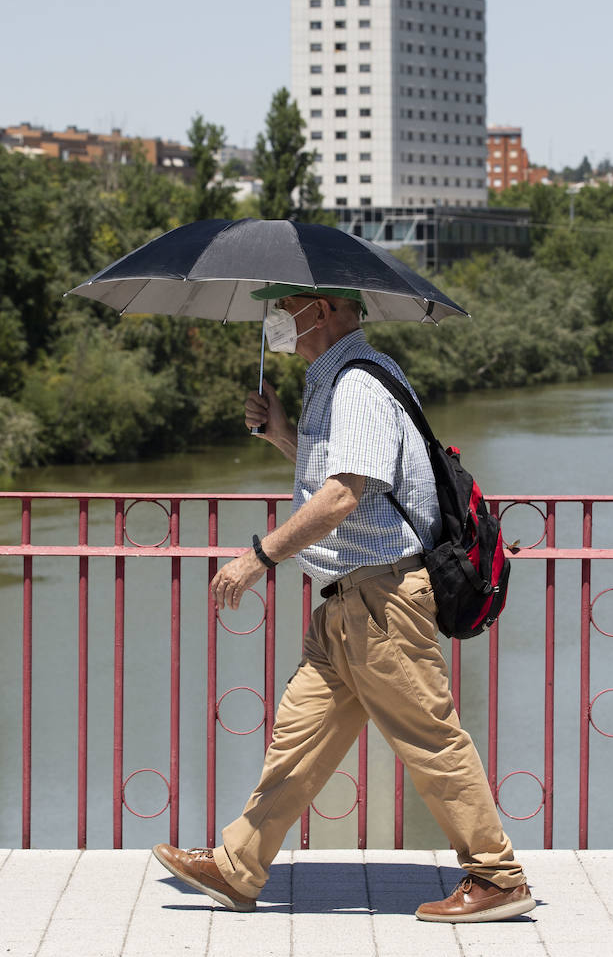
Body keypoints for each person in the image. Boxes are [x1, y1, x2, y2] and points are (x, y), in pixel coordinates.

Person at [153, 285, 535, 923]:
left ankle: (497, 878)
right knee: (297, 738)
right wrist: (283, 435)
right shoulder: (350, 376)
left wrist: (259, 558)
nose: (278, 316)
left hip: (379, 602)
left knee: (431, 740)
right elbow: (345, 478)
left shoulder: (356, 384)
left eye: (287, 304)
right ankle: (237, 865)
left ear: (322, 309)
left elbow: (341, 498)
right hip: (347, 606)